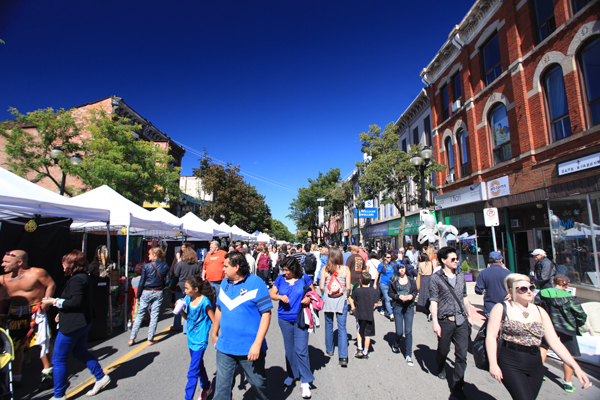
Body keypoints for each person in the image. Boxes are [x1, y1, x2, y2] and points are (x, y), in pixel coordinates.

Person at [486, 273, 591, 400]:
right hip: (510, 361)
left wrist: (576, 368)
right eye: (523, 289)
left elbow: (555, 343)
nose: (529, 291)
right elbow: (491, 336)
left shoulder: (540, 311)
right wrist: (493, 364)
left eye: (531, 288)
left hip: (535, 363)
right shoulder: (501, 308)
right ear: (511, 290)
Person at [42, 250, 110, 399]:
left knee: (59, 359)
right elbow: (82, 302)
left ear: (72, 264)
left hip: (74, 324)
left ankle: (59, 395)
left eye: (65, 262)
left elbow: (76, 302)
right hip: (81, 322)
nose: (63, 265)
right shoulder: (84, 277)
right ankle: (100, 376)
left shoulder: (78, 279)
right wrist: (61, 311)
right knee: (80, 352)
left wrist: (53, 301)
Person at [212, 252, 272, 400]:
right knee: (221, 389)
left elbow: (266, 314)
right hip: (225, 347)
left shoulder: (257, 283)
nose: (223, 269)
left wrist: (257, 344)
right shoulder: (224, 283)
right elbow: (219, 308)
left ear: (236, 267)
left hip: (250, 348)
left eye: (226, 266)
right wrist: (214, 332)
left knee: (258, 385)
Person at [1, 250, 56, 388]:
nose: (3, 264)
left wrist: (46, 301)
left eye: (6, 262)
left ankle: (47, 372)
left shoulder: (37, 273)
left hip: (35, 313)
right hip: (15, 316)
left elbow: (51, 285)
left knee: (41, 343)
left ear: (19, 262)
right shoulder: (3, 278)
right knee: (15, 346)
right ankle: (16, 377)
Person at [429, 246, 473, 400]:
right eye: (453, 259)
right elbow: (434, 300)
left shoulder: (461, 276)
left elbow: (464, 296)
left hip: (461, 320)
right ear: (443, 260)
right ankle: (440, 365)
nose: (456, 261)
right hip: (445, 320)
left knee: (462, 354)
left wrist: (470, 314)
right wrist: (435, 322)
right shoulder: (436, 278)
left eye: (456, 258)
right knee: (443, 349)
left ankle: (457, 386)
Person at [269, 256, 315, 399]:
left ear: (294, 269)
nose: (285, 272)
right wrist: (280, 297)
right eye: (283, 270)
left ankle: (306, 381)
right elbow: (272, 293)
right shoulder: (280, 279)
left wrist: (308, 298)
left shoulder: (304, 278)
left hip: (300, 317)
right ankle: (292, 374)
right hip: (284, 319)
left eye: (287, 270)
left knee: (301, 349)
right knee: (289, 349)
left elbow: (312, 292)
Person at [537, 275, 588, 393]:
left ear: (553, 282)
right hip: (567, 327)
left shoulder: (544, 292)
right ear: (567, 284)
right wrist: (578, 323)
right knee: (568, 354)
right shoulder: (570, 298)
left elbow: (536, 305)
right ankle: (567, 382)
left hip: (548, 325)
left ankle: (538, 373)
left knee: (543, 347)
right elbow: (581, 315)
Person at [178, 275, 215, 400]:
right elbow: (189, 318)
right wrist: (180, 311)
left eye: (187, 288)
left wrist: (215, 336)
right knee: (198, 366)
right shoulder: (189, 299)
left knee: (192, 372)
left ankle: (188, 397)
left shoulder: (205, 302)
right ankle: (207, 387)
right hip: (191, 338)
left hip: (200, 341)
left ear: (196, 289)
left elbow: (214, 319)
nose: (185, 291)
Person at [129, 247, 170, 346]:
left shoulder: (146, 266)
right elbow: (168, 281)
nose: (148, 255)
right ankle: (150, 339)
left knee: (140, 314)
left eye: (150, 254)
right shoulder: (165, 266)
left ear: (154, 255)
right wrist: (161, 286)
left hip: (146, 291)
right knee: (154, 315)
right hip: (158, 291)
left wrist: (138, 296)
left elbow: (142, 282)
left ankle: (132, 338)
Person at [320, 247, 351, 367]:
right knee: (342, 327)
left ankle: (329, 349)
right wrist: (345, 296)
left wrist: (326, 295)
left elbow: (322, 286)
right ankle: (343, 356)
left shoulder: (325, 269)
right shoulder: (345, 269)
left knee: (328, 324)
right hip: (341, 300)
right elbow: (348, 288)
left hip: (328, 299)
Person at [388, 263, 418, 366]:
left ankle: (408, 355)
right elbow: (390, 293)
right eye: (400, 268)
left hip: (409, 307)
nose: (402, 270)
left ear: (406, 268)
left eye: (403, 268)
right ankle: (396, 343)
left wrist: (411, 296)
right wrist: (398, 297)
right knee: (399, 332)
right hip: (398, 307)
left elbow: (415, 291)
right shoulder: (393, 280)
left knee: (408, 332)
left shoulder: (411, 280)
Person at [348, 272, 378, 359]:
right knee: (367, 334)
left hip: (360, 313)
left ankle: (360, 348)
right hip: (369, 315)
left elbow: (354, 300)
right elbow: (376, 303)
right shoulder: (373, 291)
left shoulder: (357, 291)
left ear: (360, 281)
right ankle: (366, 352)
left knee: (359, 331)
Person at [474, 251, 512, 317]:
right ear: (501, 260)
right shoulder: (508, 273)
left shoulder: (483, 273)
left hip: (490, 307)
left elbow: (478, 290)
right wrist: (511, 294)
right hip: (505, 306)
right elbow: (517, 287)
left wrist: (486, 292)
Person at [172, 248, 201, 332]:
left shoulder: (181, 264)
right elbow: (197, 278)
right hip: (191, 288)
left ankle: (177, 325)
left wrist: (172, 287)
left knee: (179, 306)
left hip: (180, 286)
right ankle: (186, 327)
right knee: (188, 307)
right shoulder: (196, 265)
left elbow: (176, 276)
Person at [373, 252, 395, 320]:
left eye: (390, 257)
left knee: (385, 298)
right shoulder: (381, 265)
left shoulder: (393, 265)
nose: (389, 258)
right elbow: (377, 274)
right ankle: (391, 314)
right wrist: (375, 283)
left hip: (391, 284)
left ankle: (382, 309)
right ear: (385, 258)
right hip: (383, 284)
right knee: (388, 299)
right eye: (388, 257)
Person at [417, 247, 435, 320]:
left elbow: (420, 272)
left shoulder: (421, 264)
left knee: (424, 292)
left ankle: (425, 305)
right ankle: (429, 306)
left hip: (424, 278)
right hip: (430, 277)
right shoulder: (430, 263)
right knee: (429, 292)